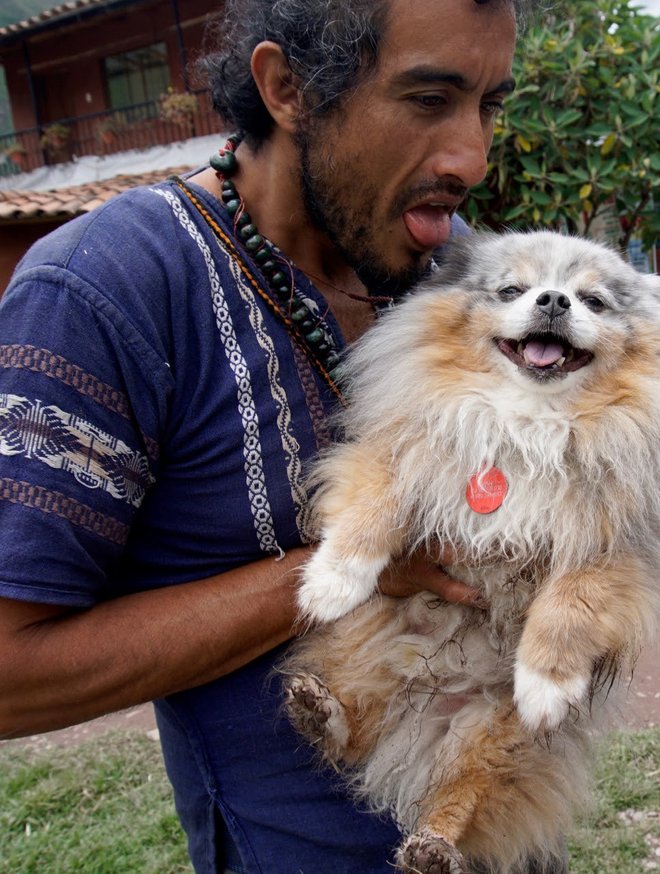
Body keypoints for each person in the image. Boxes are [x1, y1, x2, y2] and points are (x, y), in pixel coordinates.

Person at [0, 1, 554, 872]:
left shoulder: (467, 280)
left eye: (488, 105)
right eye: (428, 99)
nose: (470, 158)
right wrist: (355, 564)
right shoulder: (107, 290)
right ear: (288, 87)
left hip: (510, 835)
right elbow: (12, 675)